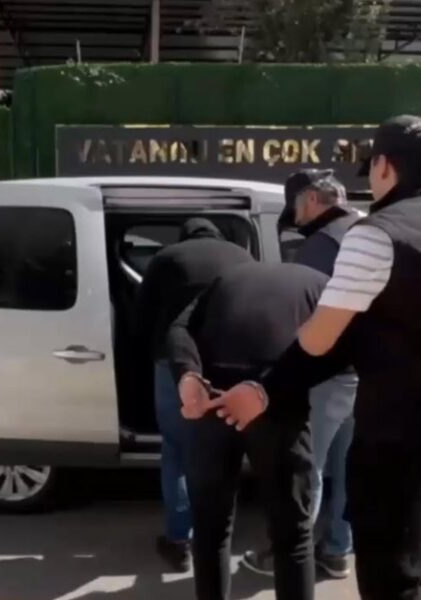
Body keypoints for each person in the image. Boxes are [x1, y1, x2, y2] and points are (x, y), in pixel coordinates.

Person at [211, 115, 421, 600]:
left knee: (389, 585)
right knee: (419, 573)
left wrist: (262, 389)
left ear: (384, 165)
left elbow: (320, 339)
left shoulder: (377, 234)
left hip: (403, 443)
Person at [169, 261, 343, 600]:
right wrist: (267, 389)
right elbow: (341, 349)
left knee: (211, 529)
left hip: (214, 398)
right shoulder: (327, 288)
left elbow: (179, 327)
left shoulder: (226, 276)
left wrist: (187, 374)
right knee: (292, 536)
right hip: (277, 408)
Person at [241, 169, 360, 580]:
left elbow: (304, 310)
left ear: (310, 198)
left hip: (327, 373)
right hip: (364, 372)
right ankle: (337, 550)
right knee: (346, 467)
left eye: (295, 205)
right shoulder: (365, 233)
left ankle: (286, 555)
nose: (294, 215)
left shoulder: (322, 244)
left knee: (306, 468)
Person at [135, 217, 254, 572]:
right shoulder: (242, 257)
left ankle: (179, 541)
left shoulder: (167, 258)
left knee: (177, 449)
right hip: (228, 363)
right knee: (223, 450)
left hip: (174, 365)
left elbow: (142, 314)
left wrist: (149, 349)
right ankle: (217, 534)